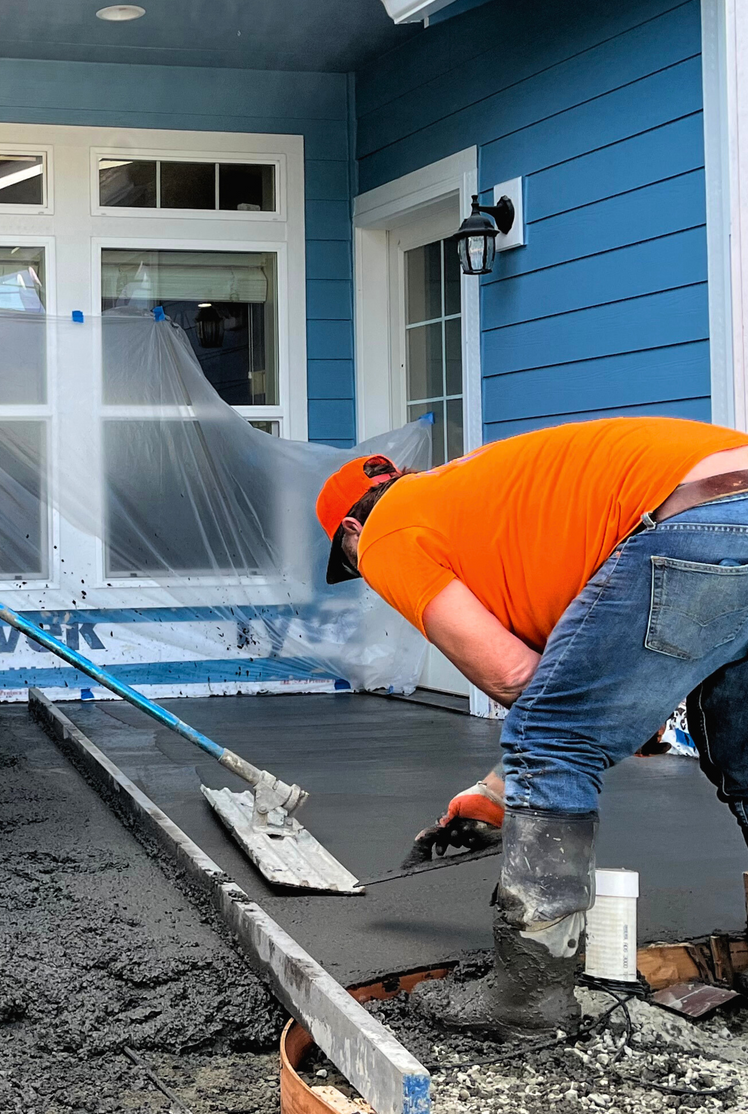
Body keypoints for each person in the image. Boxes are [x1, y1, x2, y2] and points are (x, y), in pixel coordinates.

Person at [316, 416, 748, 1035]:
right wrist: (494, 796)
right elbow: (602, 670)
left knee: (551, 740)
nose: (367, 575)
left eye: (351, 562)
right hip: (717, 504)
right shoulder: (491, 497)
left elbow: (519, 681)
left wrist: (588, 726)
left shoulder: (387, 531)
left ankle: (528, 1001)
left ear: (353, 530)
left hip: (694, 525)